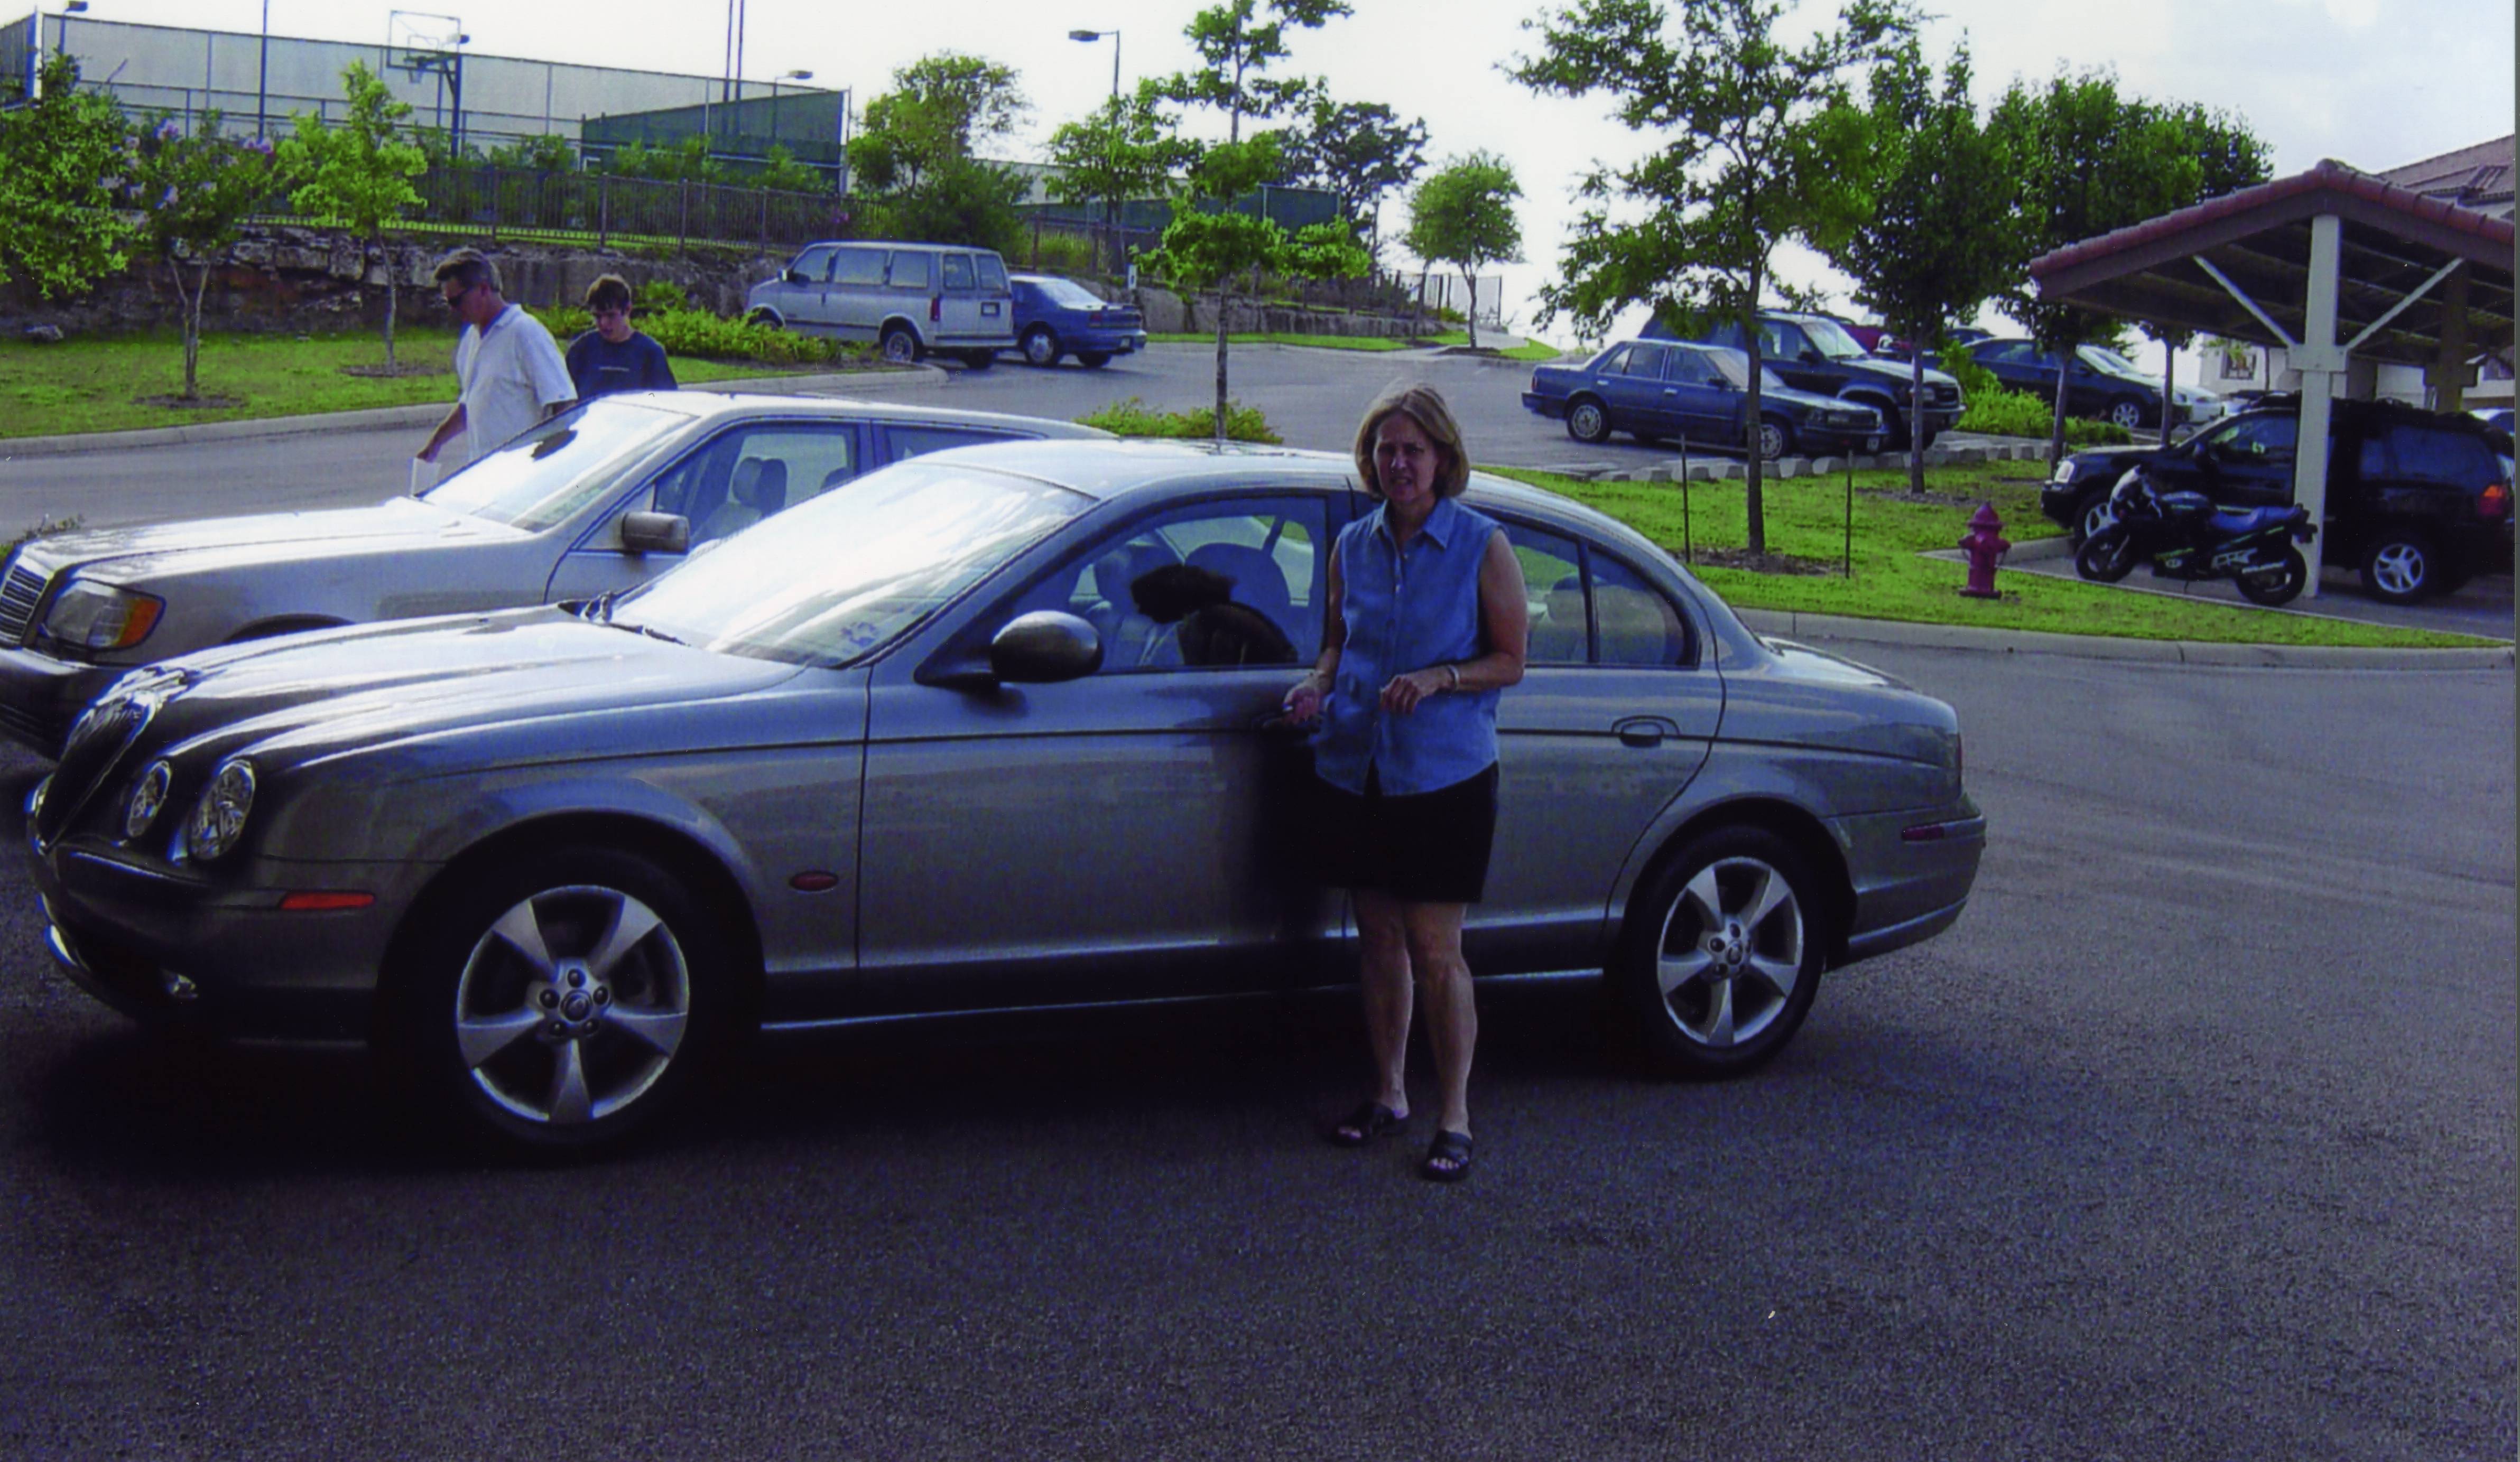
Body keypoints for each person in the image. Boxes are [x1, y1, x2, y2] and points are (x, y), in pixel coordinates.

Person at [1283, 383, 1527, 1183]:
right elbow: (1334, 645)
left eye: (1413, 450)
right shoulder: (1352, 545)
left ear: (1443, 457)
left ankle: (1453, 1114)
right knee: (1379, 938)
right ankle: (1388, 1093)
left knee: (1436, 948)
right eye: (1386, 449)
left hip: (1443, 776)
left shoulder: (1481, 544)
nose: (1398, 464)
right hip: (1356, 769)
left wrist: (1440, 675)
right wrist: (1314, 686)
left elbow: (1511, 660)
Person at [415, 248, 575, 478]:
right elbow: (470, 403)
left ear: (483, 289)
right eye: (447, 302)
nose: (453, 310)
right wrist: (435, 443)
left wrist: (546, 462)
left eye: (457, 301)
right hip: (484, 477)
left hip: (523, 478)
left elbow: (564, 403)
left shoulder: (525, 333)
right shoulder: (471, 338)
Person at [566, 273, 677, 401]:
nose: (603, 323)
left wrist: (648, 398)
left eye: (611, 316)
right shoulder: (580, 351)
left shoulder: (650, 353)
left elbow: (663, 398)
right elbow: (567, 397)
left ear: (628, 310)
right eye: (597, 316)